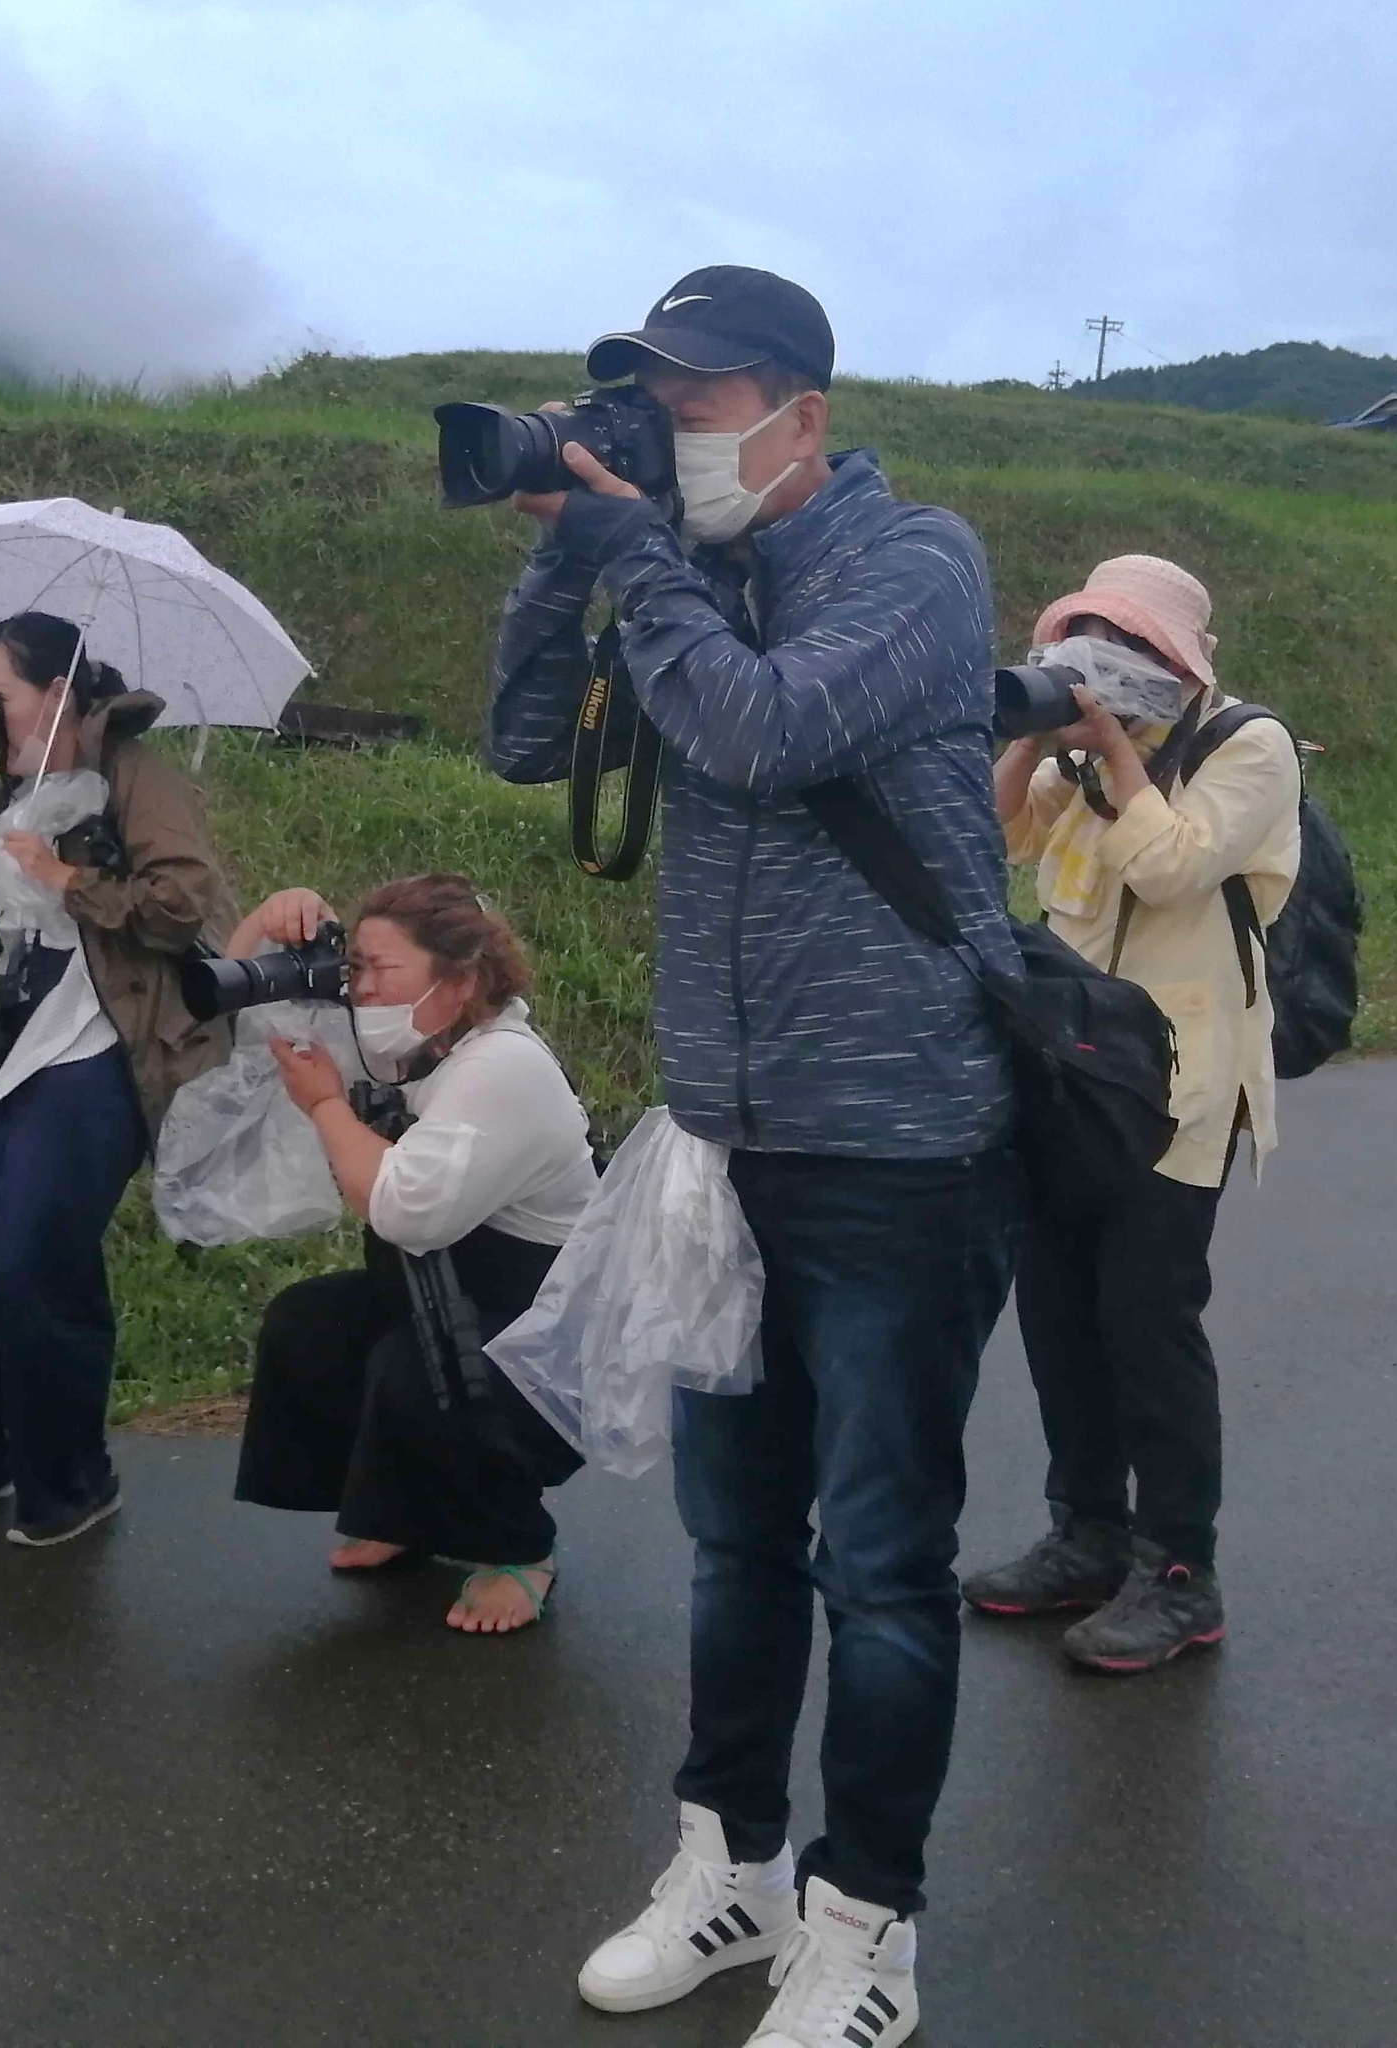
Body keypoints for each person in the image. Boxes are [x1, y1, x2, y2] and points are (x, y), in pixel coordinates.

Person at [487, 266, 1019, 2048]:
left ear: (799, 407)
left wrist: (637, 554)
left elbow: (761, 727)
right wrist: (569, 548)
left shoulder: (914, 563)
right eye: (642, 398)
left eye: (694, 399)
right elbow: (511, 745)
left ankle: (866, 1927)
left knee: (876, 1556)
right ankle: (730, 1863)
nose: (666, 430)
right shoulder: (672, 575)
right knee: (732, 1548)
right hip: (718, 1141)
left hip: (894, 1149)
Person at [969, 555, 1298, 1674]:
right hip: (1068, 1073)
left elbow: (1168, 871)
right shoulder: (1074, 750)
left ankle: (1176, 1570)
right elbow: (989, 839)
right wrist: (1032, 729)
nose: (1100, 660)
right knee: (1057, 1311)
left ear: (1173, 657)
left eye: (1122, 643)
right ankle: (1085, 1532)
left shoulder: (1245, 745)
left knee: (1143, 1320)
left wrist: (1115, 752)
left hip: (1181, 1084)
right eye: (1082, 637)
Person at [0, 611, 233, 1547]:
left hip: (102, 1042)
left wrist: (67, 877)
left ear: (59, 692)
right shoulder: (13, 782)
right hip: (4, 1039)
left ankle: (71, 1481)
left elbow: (184, 902)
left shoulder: (137, 780)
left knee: (35, 1258)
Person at [227, 875, 596, 1636]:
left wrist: (328, 1106)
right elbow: (239, 1014)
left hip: (545, 1340)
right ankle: (403, 1512)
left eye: (375, 969)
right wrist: (271, 918)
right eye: (352, 966)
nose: (355, 988)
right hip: (447, 1294)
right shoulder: (415, 1042)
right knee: (310, 1327)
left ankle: (519, 1547)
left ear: (457, 983)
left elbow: (405, 1210)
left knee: (419, 1374)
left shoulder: (503, 1069)